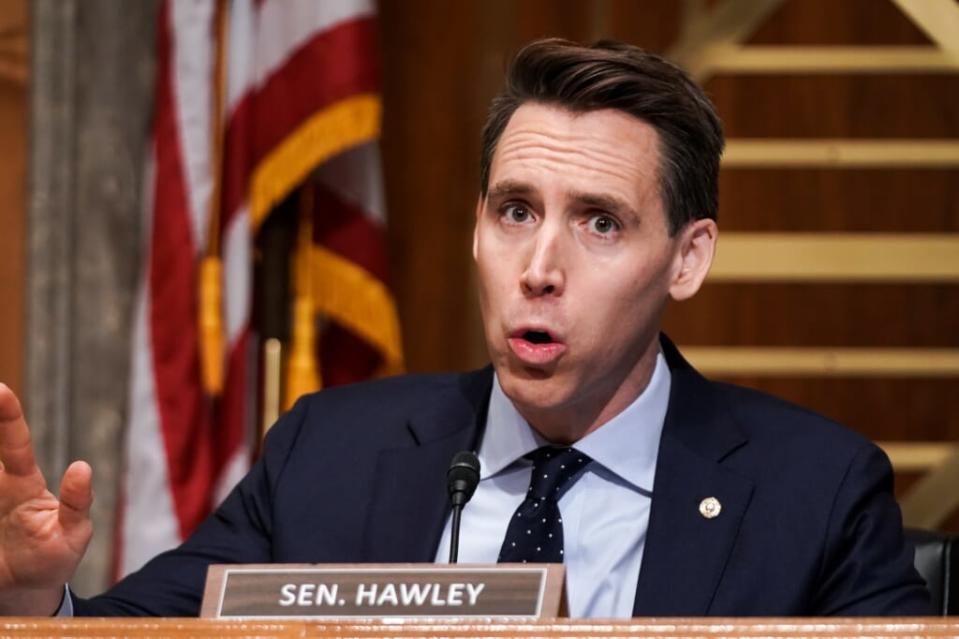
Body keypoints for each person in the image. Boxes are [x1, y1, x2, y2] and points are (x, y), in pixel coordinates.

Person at [0, 38, 931, 618]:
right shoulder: (332, 451)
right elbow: (151, 627)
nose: (539, 267)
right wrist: (37, 602)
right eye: (515, 211)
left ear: (686, 258)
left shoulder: (815, 492)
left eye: (599, 221)